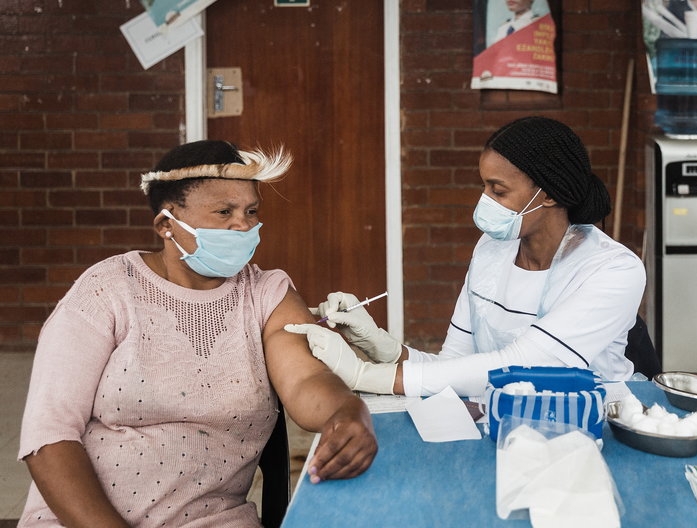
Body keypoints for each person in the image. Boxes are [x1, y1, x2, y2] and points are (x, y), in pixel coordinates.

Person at [18, 141, 377, 527]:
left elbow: (306, 378)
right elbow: (50, 436)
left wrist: (347, 411)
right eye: (224, 212)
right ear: (166, 224)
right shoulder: (106, 290)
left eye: (251, 211)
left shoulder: (265, 293)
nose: (243, 225)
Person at [287, 116, 646, 397]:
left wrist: (366, 375)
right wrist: (383, 347)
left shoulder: (613, 270)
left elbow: (522, 367)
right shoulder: (492, 250)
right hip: (508, 421)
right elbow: (455, 367)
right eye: (484, 185)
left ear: (549, 194)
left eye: (498, 190)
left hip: (594, 427)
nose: (484, 201)